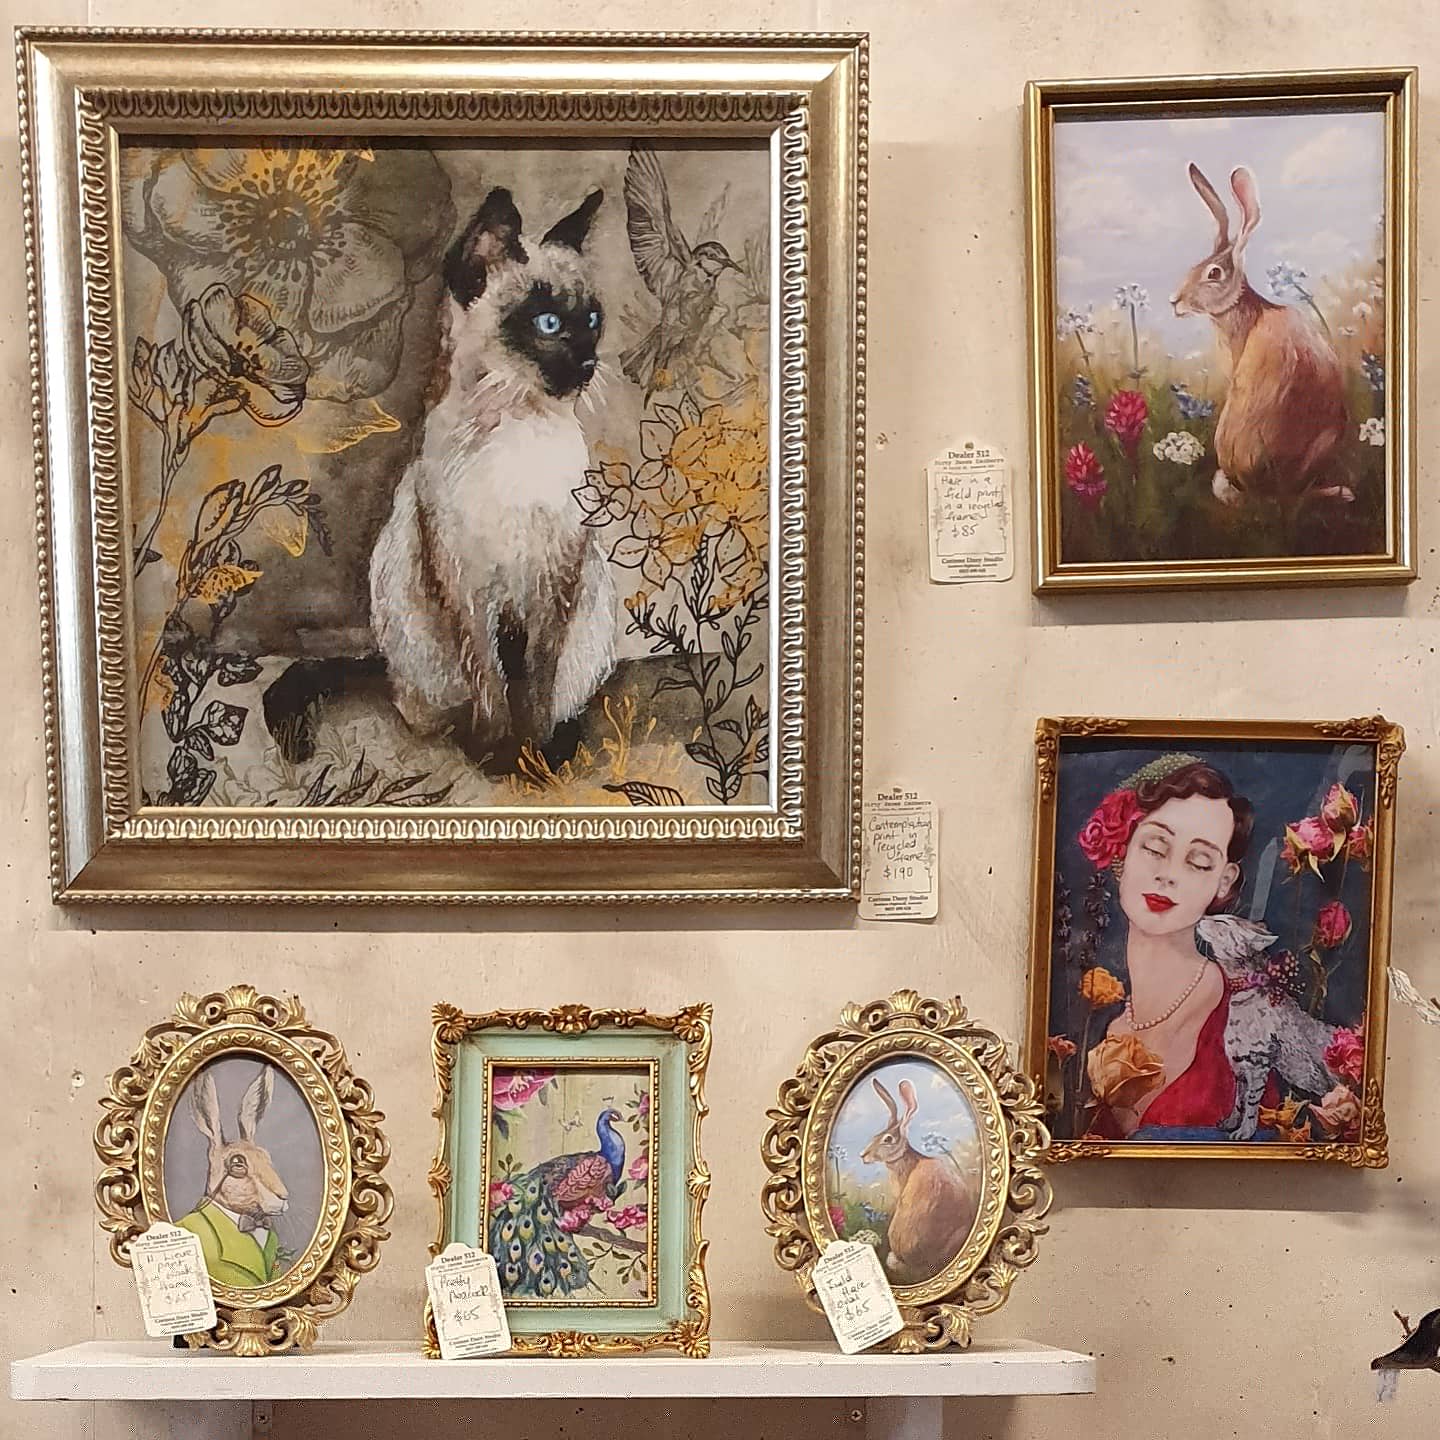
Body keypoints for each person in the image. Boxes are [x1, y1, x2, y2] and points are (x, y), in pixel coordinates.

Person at [1073, 755, 1273, 1138]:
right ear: (1123, 851)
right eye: (1155, 847)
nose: (1169, 875)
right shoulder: (1096, 1021)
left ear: (1224, 881)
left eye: (1198, 862)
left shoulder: (1243, 1014)